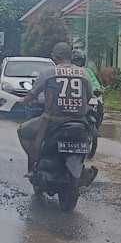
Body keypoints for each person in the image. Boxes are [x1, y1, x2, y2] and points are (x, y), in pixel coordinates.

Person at [17, 42, 94, 180]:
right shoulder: (84, 73)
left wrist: (22, 101)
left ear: (54, 57)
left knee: (22, 131)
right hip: (79, 121)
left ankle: (37, 163)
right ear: (71, 56)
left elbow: (31, 95)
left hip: (53, 121)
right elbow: (89, 96)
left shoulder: (47, 73)